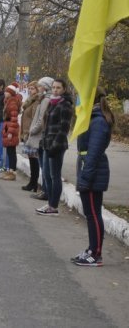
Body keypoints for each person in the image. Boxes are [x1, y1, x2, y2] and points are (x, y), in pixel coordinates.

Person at [72, 87, 114, 267]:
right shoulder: (92, 118)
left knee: (94, 215)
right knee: (90, 214)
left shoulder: (98, 121)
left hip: (92, 172)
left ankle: (96, 254)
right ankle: (91, 249)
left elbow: (93, 153)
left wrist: (85, 178)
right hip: (88, 169)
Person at [35, 78, 74, 216]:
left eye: (58, 88)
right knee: (46, 175)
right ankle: (50, 203)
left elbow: (64, 129)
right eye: (53, 87)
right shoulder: (52, 102)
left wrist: (54, 146)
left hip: (57, 146)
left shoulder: (65, 105)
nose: (55, 90)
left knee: (54, 175)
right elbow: (46, 126)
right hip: (47, 144)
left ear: (64, 89)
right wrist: (42, 142)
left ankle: (53, 206)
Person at [20, 81, 41, 191]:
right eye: (29, 88)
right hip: (26, 132)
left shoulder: (36, 102)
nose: (30, 90)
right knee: (31, 158)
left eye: (32, 88)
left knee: (34, 159)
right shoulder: (30, 101)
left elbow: (34, 118)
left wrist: (30, 132)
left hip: (31, 133)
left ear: (37, 89)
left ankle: (34, 183)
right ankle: (32, 182)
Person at [0, 83, 22, 180]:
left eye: (7, 91)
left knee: (11, 151)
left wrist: (10, 132)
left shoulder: (12, 102)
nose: (5, 93)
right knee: (9, 150)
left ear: (11, 93)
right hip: (7, 125)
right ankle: (9, 170)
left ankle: (12, 172)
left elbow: (14, 118)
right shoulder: (8, 101)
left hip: (10, 127)